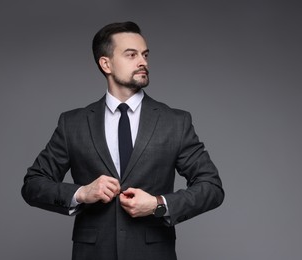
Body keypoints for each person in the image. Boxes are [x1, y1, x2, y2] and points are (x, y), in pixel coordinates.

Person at [21, 21, 224, 260]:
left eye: (145, 55)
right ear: (106, 63)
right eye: (131, 55)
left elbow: (211, 187)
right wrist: (81, 193)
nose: (143, 62)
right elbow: (33, 185)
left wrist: (158, 204)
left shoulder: (175, 122)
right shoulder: (73, 123)